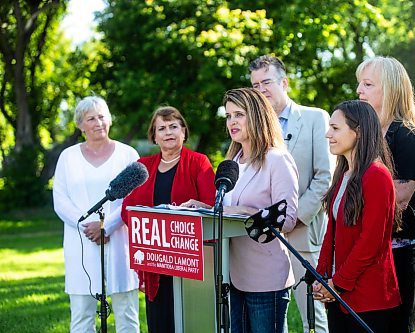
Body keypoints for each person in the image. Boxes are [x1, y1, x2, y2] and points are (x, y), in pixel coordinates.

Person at [183, 88, 299, 333]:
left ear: (256, 116)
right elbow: (229, 211)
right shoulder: (232, 164)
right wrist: (205, 209)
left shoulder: (276, 160)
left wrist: (248, 211)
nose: (232, 122)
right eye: (228, 116)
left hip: (265, 277)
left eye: (239, 114)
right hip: (232, 275)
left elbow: (287, 220)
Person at [249, 55, 332, 333]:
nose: (261, 90)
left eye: (267, 82)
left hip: (302, 234)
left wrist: (293, 218)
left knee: (314, 314)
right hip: (263, 241)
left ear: (284, 83)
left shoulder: (315, 118)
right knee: (272, 315)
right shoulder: (253, 129)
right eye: (255, 84)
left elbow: (325, 178)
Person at [120, 106, 216, 333]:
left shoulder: (199, 162)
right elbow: (127, 209)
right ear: (154, 136)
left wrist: (198, 207)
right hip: (156, 257)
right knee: (159, 320)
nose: (168, 132)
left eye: (173, 126)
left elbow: (213, 205)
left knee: (189, 319)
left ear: (184, 131)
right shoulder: (143, 166)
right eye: (161, 128)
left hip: (189, 256)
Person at [53, 96, 140, 333]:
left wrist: (107, 226)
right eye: (91, 118)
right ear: (81, 125)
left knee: (127, 312)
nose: (98, 122)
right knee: (82, 313)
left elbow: (134, 198)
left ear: (110, 119)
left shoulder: (127, 154)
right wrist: (87, 224)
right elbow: (60, 199)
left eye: (102, 116)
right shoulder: (68, 157)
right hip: (81, 240)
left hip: (119, 238)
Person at [313, 100, 400, 333]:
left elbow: (370, 242)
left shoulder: (377, 175)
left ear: (358, 131)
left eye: (335, 128)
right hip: (338, 293)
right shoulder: (343, 174)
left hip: (368, 298)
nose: (327, 134)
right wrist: (322, 276)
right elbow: (330, 231)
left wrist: (338, 283)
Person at [356, 56, 415, 333]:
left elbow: (399, 198)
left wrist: (355, 204)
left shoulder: (408, 135)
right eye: (359, 84)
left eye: (367, 84)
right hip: (365, 245)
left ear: (390, 89)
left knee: (394, 325)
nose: (359, 91)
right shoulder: (365, 134)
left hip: (396, 248)